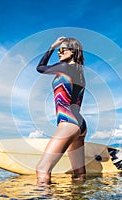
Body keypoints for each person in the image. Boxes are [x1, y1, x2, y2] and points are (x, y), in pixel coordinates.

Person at [36, 37, 87, 184]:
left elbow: (40, 67)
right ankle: (80, 195)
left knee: (42, 169)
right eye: (58, 50)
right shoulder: (80, 74)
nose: (59, 52)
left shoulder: (63, 67)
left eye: (62, 49)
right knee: (78, 173)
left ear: (73, 51)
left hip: (68, 122)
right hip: (81, 124)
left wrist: (52, 46)